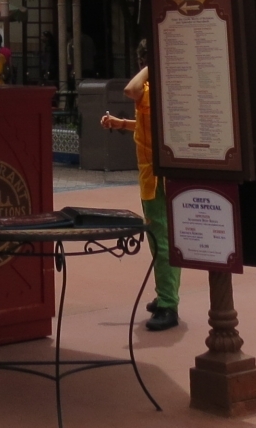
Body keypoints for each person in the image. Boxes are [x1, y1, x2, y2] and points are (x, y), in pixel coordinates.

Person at [100, 47, 179, 332]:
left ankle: (169, 303)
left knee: (162, 240)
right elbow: (147, 124)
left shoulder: (153, 88)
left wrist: (154, 61)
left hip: (159, 178)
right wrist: (120, 123)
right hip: (151, 175)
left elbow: (130, 89)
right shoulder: (155, 90)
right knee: (159, 239)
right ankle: (165, 295)